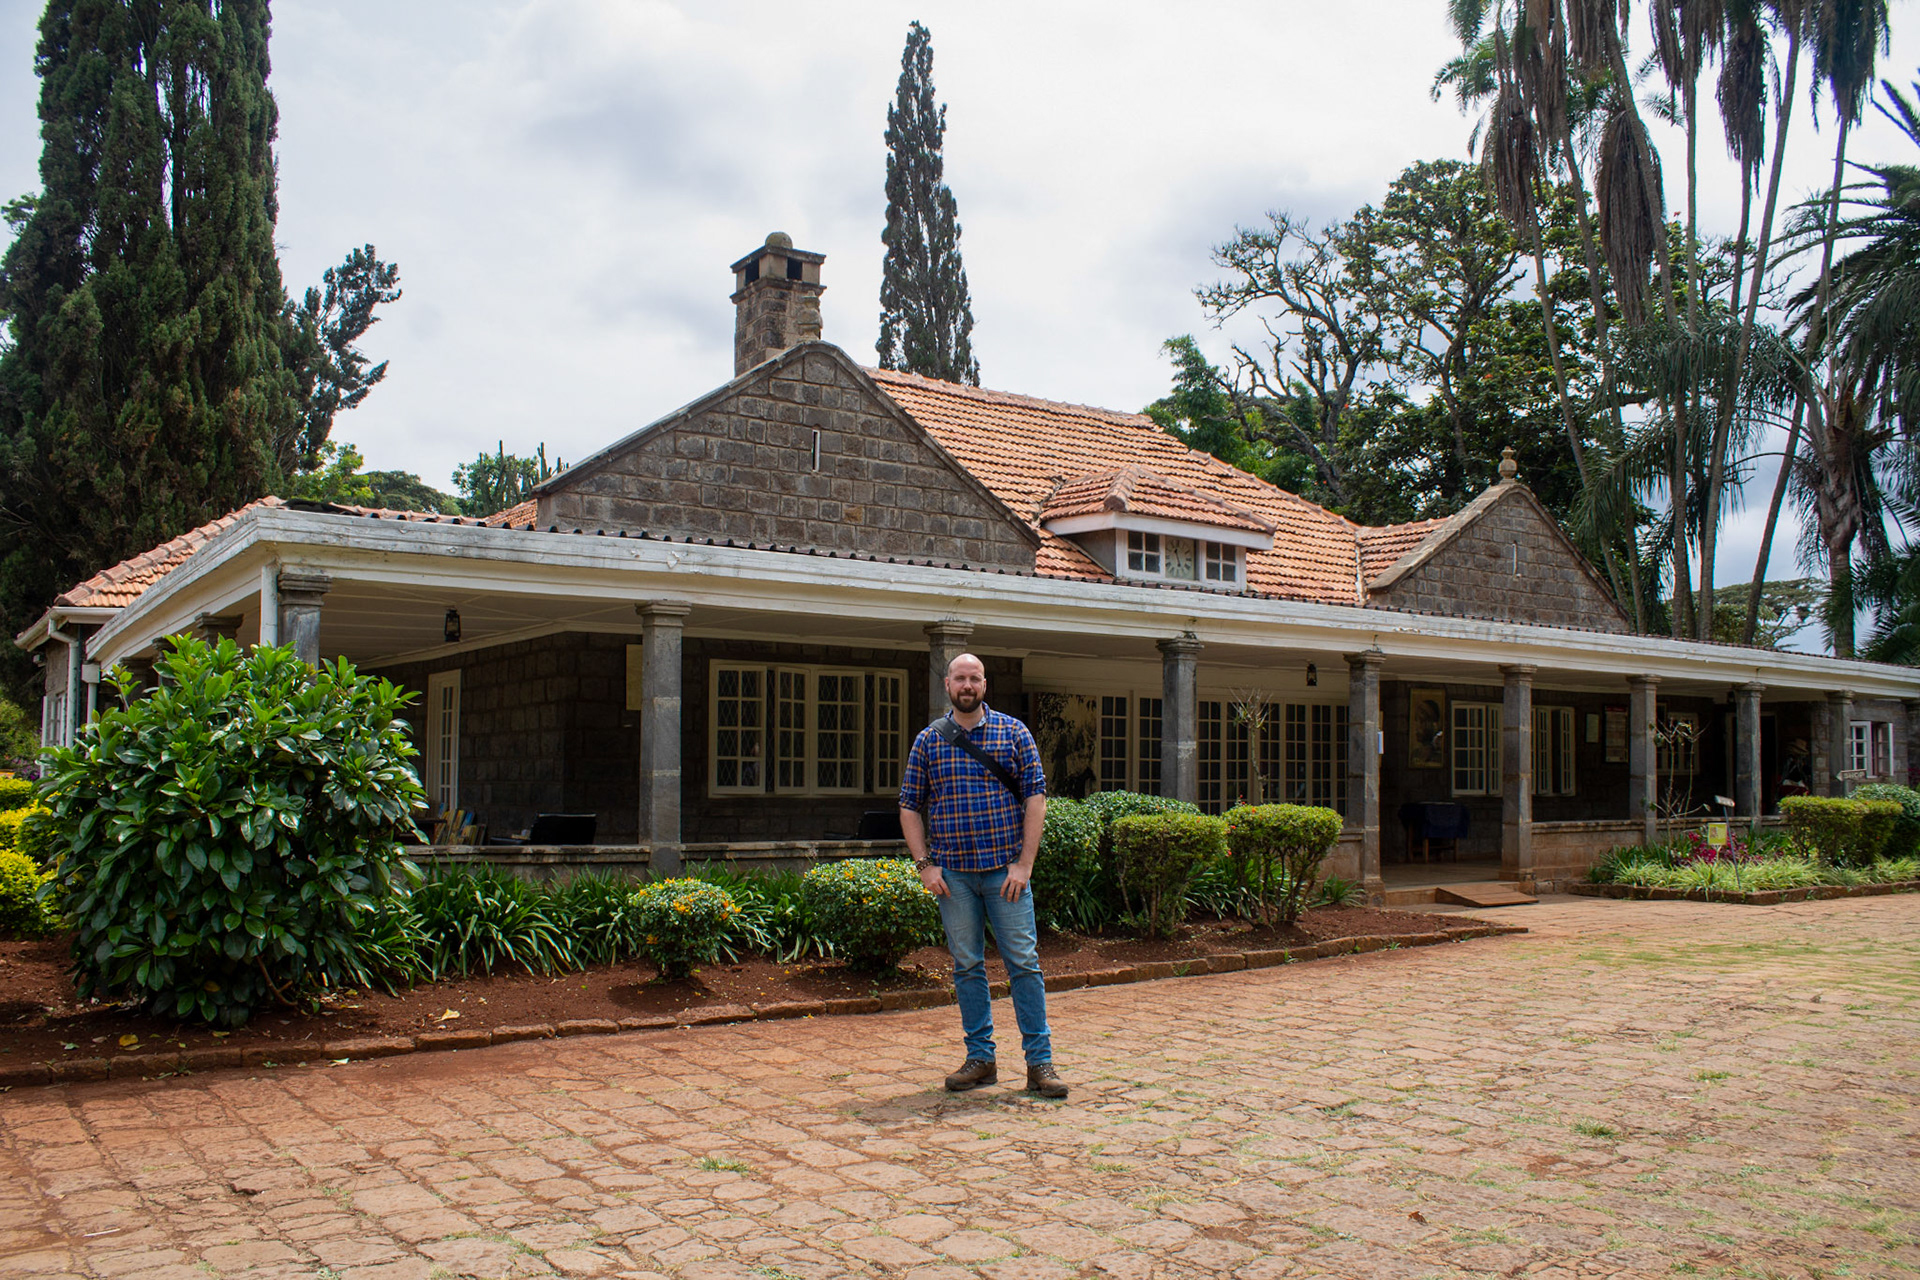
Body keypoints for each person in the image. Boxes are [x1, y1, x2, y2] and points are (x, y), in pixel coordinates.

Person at [898, 653, 1066, 1098]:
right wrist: (924, 865)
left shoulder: (1014, 732)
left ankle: (1040, 1064)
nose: (967, 685)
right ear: (947, 684)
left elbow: (1035, 797)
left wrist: (1024, 864)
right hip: (953, 877)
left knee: (1024, 966)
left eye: (974, 678)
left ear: (984, 685)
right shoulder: (929, 741)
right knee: (967, 967)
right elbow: (909, 804)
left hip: (1004, 874)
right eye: (960, 678)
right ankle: (981, 1059)